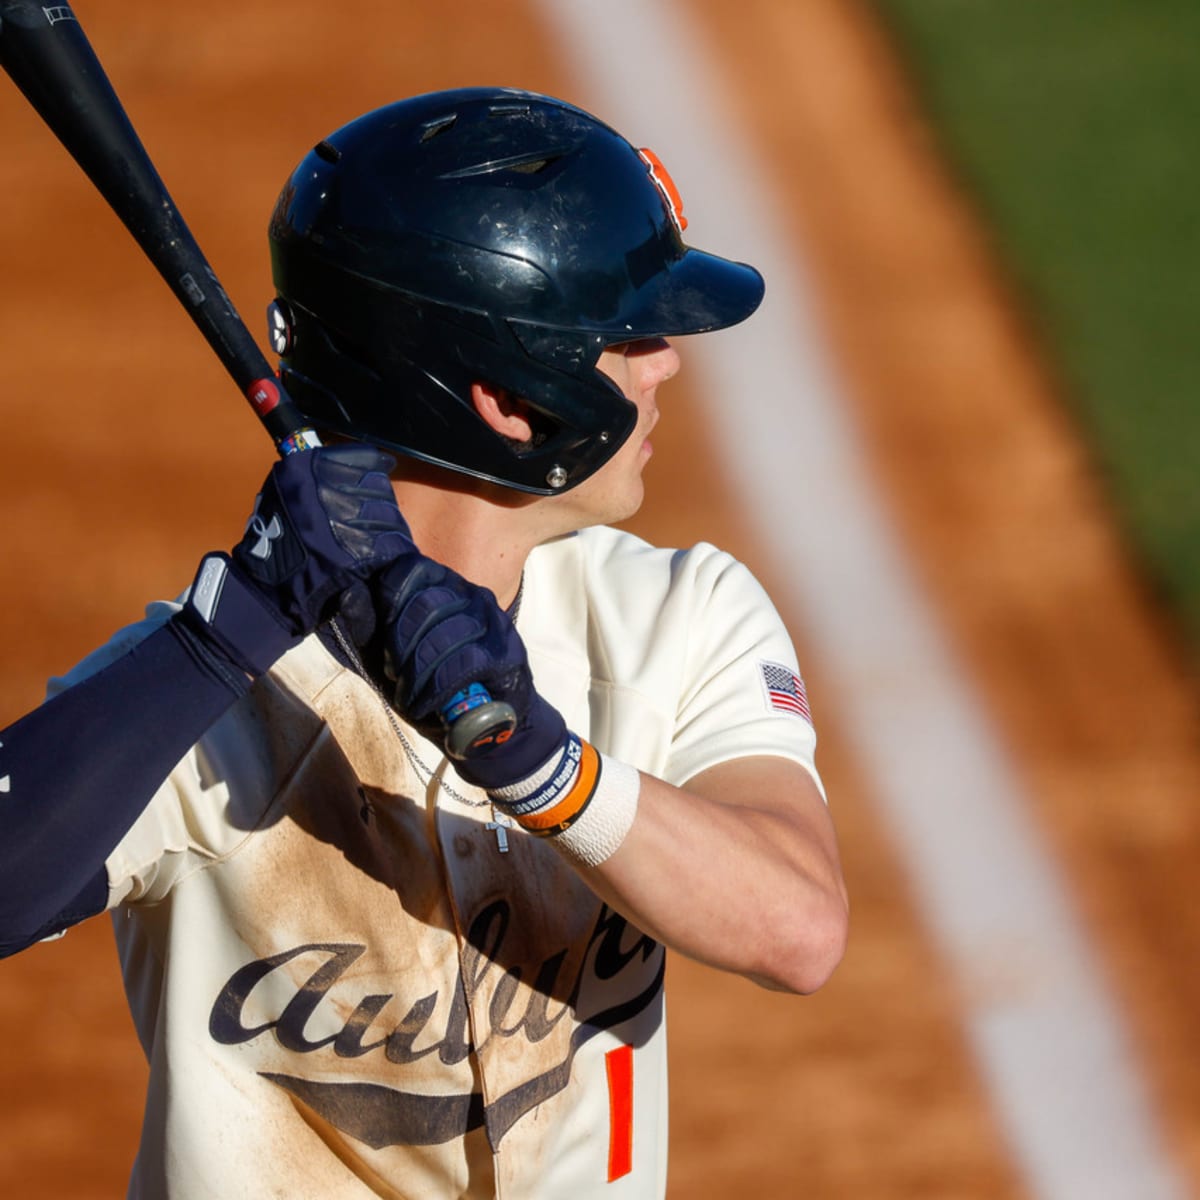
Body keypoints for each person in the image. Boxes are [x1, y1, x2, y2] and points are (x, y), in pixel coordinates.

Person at [0, 87, 847, 1197]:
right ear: (510, 398)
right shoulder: (214, 684)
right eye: (627, 335)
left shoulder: (677, 615)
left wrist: (553, 775)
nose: (665, 364)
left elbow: (798, 930)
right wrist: (226, 639)